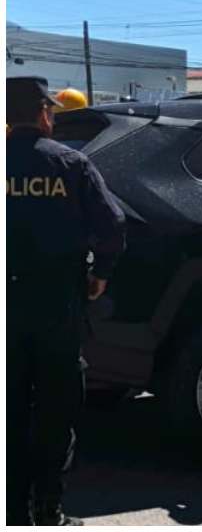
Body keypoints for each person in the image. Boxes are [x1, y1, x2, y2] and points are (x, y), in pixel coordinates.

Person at [7, 76, 126, 525]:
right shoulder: (70, 165)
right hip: (57, 307)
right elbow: (113, 225)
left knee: (9, 414)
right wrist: (100, 276)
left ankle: (12, 511)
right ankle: (47, 509)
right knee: (55, 414)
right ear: (42, 113)